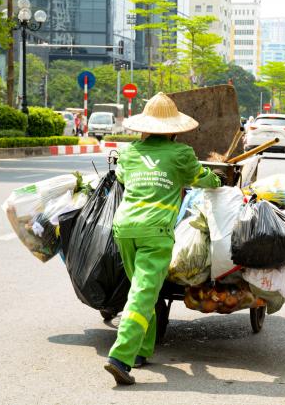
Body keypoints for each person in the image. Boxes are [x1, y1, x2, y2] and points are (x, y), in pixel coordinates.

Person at [104, 92, 222, 386]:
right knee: (143, 293)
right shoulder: (180, 154)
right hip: (156, 232)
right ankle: (121, 356)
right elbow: (201, 177)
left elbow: (121, 177)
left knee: (144, 289)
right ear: (173, 129)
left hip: (125, 227)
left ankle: (142, 350)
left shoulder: (129, 153)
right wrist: (217, 181)